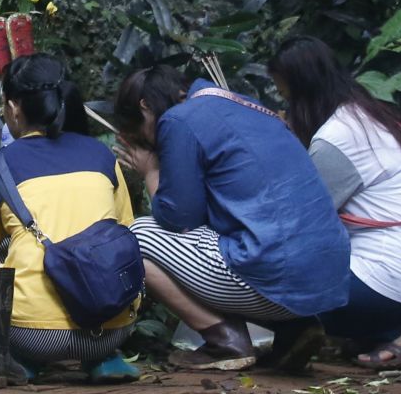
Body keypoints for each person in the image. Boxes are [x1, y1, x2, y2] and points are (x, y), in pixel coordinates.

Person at [114, 66, 350, 371]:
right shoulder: (245, 105)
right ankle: (295, 328)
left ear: (145, 106)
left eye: (140, 132)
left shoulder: (178, 119)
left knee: (136, 237)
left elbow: (178, 219)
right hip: (328, 276)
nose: (146, 141)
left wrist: (150, 173)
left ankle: (224, 340)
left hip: (277, 269)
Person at [269, 36, 401, 370]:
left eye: (286, 97)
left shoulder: (336, 138)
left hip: (395, 276)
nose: (286, 108)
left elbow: (296, 224)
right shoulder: (370, 117)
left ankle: (375, 326)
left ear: (304, 93)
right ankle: (393, 330)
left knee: (267, 286)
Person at [0, 55, 141, 382]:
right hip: (112, 326)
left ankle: (23, 359)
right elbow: (126, 233)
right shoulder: (102, 156)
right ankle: (104, 359)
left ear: (14, 108)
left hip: (33, 335)